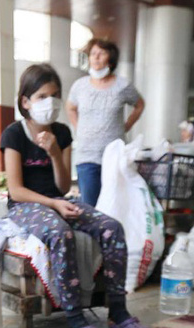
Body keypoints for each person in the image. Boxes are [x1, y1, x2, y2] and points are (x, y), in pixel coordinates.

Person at [4, 63, 151, 328]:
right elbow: (16, 190)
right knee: (60, 233)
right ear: (25, 101)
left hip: (57, 199)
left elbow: (61, 187)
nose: (51, 102)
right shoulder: (14, 133)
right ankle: (75, 321)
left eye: (55, 95)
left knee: (111, 227)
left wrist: (56, 153)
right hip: (25, 205)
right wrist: (53, 205)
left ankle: (118, 312)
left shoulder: (61, 132)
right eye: (42, 96)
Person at [65, 39, 145, 207]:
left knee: (114, 204)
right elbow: (70, 107)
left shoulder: (123, 85)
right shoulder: (79, 86)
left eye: (101, 53)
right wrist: (78, 128)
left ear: (111, 58)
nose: (96, 57)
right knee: (90, 206)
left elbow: (139, 105)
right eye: (93, 54)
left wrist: (126, 126)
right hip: (87, 155)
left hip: (114, 156)